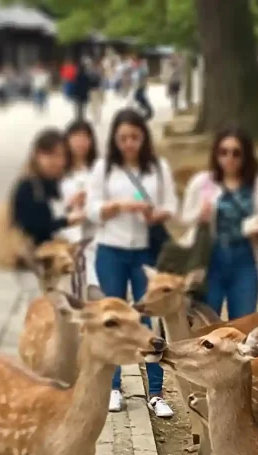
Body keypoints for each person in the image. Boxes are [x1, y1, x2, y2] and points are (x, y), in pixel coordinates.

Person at [87, 109, 177, 417]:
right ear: (114, 138)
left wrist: (156, 213)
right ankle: (113, 386)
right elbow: (92, 208)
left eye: (135, 137)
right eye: (123, 138)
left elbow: (171, 205)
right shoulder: (103, 168)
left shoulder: (157, 167)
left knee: (148, 318)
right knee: (113, 318)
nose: (129, 144)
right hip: (111, 248)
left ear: (144, 137)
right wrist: (117, 206)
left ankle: (155, 391)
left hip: (145, 252)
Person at [178, 127, 258, 319]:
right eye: (223, 152)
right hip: (211, 259)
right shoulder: (202, 182)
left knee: (242, 323)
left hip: (245, 259)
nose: (229, 159)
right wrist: (201, 215)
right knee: (205, 323)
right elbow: (185, 217)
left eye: (236, 153)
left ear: (246, 156)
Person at [11, 128, 84, 252]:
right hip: (39, 261)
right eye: (49, 155)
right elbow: (33, 227)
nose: (56, 161)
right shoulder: (29, 186)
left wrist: (69, 206)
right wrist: (66, 221)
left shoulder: (55, 182)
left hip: (60, 255)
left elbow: (52, 212)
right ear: (37, 156)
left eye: (61, 155)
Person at [61, 120, 99, 297]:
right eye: (75, 138)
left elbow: (133, 195)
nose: (80, 143)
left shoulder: (100, 170)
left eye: (85, 138)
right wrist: (70, 204)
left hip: (96, 243)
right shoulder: (58, 173)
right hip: (67, 249)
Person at [131, 56, 153, 121]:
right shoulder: (138, 68)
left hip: (141, 86)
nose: (133, 64)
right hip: (138, 86)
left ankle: (148, 111)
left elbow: (144, 76)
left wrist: (143, 84)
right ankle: (147, 111)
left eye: (134, 62)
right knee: (138, 98)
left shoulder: (142, 68)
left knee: (139, 97)